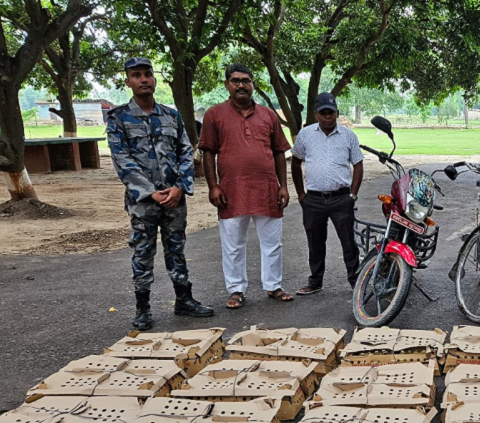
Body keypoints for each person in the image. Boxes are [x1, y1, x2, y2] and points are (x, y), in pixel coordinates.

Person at [106, 57, 213, 330]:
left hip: (175, 199)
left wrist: (180, 187)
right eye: (136, 75)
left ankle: (184, 300)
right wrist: (151, 192)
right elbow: (122, 160)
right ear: (128, 81)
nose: (143, 79)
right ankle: (143, 309)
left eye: (148, 74)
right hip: (143, 202)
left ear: (154, 79)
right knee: (143, 252)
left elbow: (185, 153)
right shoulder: (119, 118)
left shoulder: (171, 116)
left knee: (176, 249)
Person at [199, 64, 293, 310]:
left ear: (253, 84)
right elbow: (208, 152)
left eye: (246, 80)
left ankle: (273, 286)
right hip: (231, 191)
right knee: (232, 244)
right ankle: (236, 290)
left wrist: (283, 186)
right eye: (235, 80)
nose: (241, 85)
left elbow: (279, 152)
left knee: (273, 243)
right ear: (227, 85)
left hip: (266, 190)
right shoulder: (214, 114)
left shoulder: (268, 115)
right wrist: (213, 186)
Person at [291, 92, 364, 295]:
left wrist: (353, 195)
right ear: (316, 114)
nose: (327, 117)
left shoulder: (348, 136)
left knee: (349, 243)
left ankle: (355, 281)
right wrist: (300, 193)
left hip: (342, 198)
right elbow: (295, 162)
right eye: (323, 113)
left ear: (337, 113)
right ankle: (315, 281)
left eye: (331, 113)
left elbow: (358, 165)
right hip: (313, 199)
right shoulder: (305, 134)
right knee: (315, 242)